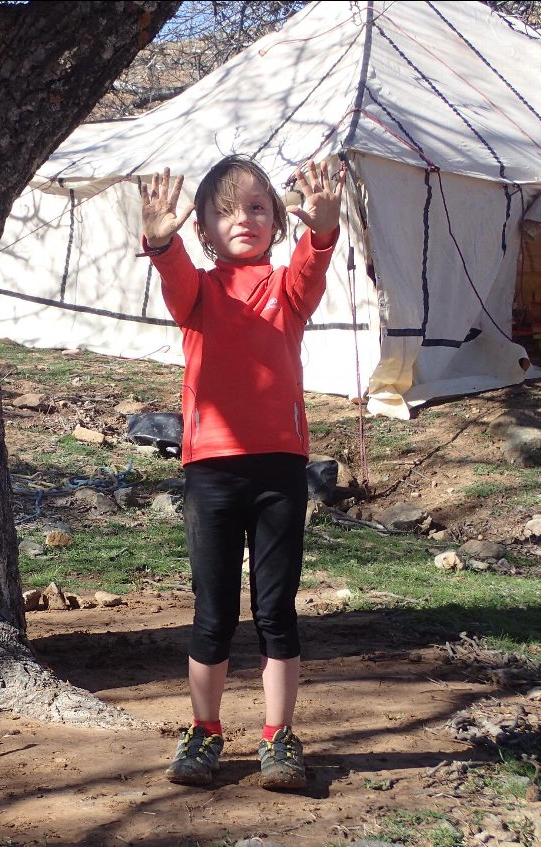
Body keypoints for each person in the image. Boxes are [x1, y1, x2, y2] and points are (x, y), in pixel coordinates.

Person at [137, 154, 344, 791]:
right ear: (203, 229)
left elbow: (312, 265)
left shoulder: (286, 289)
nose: (243, 219)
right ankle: (205, 729)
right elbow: (171, 275)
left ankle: (279, 735)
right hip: (211, 473)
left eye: (257, 206)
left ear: (278, 220)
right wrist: (160, 240)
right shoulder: (197, 292)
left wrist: (326, 229)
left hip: (280, 469)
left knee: (277, 610)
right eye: (226, 210)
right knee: (213, 611)